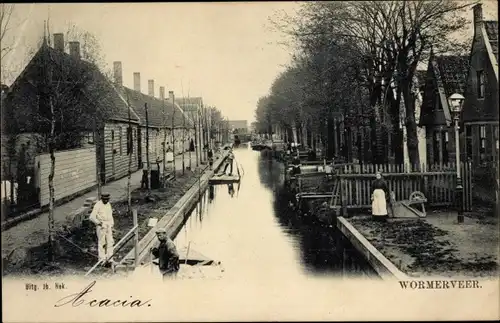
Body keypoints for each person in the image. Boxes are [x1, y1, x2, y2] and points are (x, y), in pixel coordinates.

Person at [88, 193, 115, 266]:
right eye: (104, 199)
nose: (106, 201)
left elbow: (110, 215)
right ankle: (102, 260)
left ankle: (110, 259)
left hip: (108, 225)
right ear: (101, 199)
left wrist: (112, 224)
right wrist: (99, 223)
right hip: (101, 226)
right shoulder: (98, 205)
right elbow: (91, 217)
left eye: (107, 199)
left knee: (110, 242)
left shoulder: (108, 204)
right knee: (102, 243)